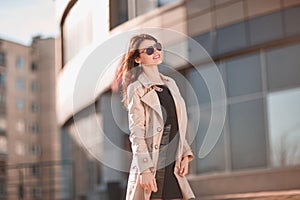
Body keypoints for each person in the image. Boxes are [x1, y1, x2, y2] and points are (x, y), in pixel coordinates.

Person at [113, 34, 195, 200]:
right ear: (138, 59)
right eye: (149, 50)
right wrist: (144, 169)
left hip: (173, 162)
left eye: (157, 47)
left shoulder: (171, 83)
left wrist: (185, 154)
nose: (156, 51)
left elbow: (177, 122)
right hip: (152, 163)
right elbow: (137, 133)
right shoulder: (136, 88)